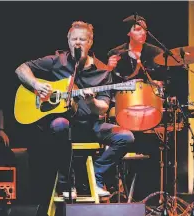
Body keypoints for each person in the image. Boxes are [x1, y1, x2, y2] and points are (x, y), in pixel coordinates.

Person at [15, 21, 135, 199]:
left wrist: (92, 101)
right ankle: (66, 182)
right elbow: (21, 69)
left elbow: (103, 108)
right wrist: (36, 84)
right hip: (64, 125)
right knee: (60, 124)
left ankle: (97, 175)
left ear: (90, 43)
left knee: (126, 137)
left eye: (82, 39)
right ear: (68, 41)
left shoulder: (103, 72)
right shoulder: (58, 61)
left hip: (91, 125)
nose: (77, 43)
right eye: (74, 39)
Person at [106, 16, 165, 84]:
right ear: (128, 33)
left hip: (151, 93)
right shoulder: (115, 53)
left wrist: (160, 83)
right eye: (138, 29)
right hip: (125, 94)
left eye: (145, 29)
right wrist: (109, 68)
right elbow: (109, 83)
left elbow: (167, 79)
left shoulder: (156, 52)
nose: (143, 33)